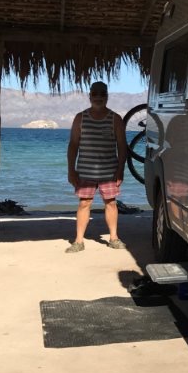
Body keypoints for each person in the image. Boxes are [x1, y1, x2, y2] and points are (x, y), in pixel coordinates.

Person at [66, 81, 129, 253]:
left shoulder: (115, 119)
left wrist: (120, 169)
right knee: (84, 203)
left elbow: (122, 146)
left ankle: (114, 238)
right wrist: (71, 170)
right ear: (90, 96)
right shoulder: (81, 118)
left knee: (110, 203)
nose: (99, 97)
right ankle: (78, 241)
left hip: (109, 171)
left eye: (102, 94)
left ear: (107, 96)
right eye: (95, 93)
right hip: (85, 171)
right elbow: (73, 145)